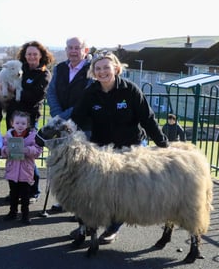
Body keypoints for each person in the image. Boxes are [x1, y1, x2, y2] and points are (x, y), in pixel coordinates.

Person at [71, 51, 169, 243]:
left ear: (116, 68)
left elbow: (147, 119)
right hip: (102, 150)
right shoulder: (90, 93)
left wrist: (163, 144)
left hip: (129, 150)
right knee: (97, 192)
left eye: (106, 67)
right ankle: (88, 227)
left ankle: (112, 228)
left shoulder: (130, 91)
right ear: (93, 72)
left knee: (123, 194)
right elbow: (75, 120)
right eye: (97, 69)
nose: (102, 72)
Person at [3, 40, 53, 199]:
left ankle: (33, 190)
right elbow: (6, 84)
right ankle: (15, 192)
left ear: (41, 56)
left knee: (29, 154)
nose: (31, 56)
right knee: (15, 153)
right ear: (24, 55)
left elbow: (36, 96)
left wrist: (17, 92)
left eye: (35, 54)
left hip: (29, 119)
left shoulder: (44, 74)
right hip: (13, 117)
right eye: (29, 54)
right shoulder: (19, 67)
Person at [46, 36, 91, 212]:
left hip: (84, 125)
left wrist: (62, 118)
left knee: (83, 168)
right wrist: (58, 116)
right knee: (65, 166)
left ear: (85, 50)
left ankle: (82, 207)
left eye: (77, 48)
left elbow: (84, 100)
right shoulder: (59, 68)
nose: (73, 51)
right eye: (70, 47)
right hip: (62, 127)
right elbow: (51, 93)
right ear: (66, 50)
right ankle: (66, 202)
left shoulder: (91, 69)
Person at [1, 111, 42, 224]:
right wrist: (6, 150)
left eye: (23, 123)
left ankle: (25, 214)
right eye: (17, 123)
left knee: (25, 195)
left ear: (27, 125)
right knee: (13, 193)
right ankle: (12, 212)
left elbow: (38, 150)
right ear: (12, 123)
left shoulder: (32, 136)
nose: (20, 125)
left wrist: (27, 150)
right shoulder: (8, 136)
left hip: (26, 170)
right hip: (12, 170)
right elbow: (2, 148)